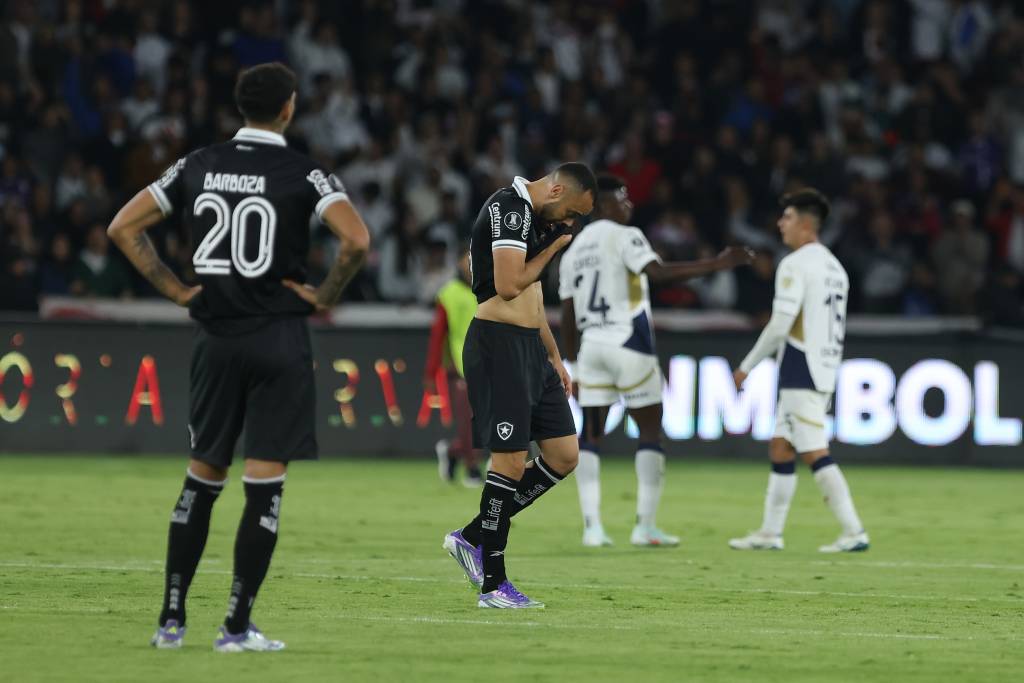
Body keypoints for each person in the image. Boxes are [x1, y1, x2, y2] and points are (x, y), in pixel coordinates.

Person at [106, 62, 370, 651]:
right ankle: (234, 626)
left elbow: (123, 226)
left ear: (238, 107)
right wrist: (324, 296)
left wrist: (176, 289)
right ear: (289, 108)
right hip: (278, 337)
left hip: (215, 338)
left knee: (202, 478)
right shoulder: (307, 172)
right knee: (264, 486)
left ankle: (170, 621)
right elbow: (356, 239)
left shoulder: (196, 164)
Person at [559, 174, 753, 547]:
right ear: (601, 207)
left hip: (592, 349)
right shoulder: (625, 236)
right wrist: (718, 263)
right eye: (622, 198)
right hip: (630, 344)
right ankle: (644, 526)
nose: (629, 204)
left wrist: (575, 365)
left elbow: (567, 315)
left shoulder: (573, 251)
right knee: (649, 431)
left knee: (591, 435)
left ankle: (592, 528)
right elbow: (658, 273)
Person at [442, 163, 596, 608]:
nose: (569, 223)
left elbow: (533, 297)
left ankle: (472, 536)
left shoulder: (533, 219)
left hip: (531, 348)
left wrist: (553, 355)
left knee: (564, 455)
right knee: (508, 462)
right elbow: (509, 286)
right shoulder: (509, 209)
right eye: (571, 212)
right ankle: (493, 584)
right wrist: (555, 248)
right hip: (498, 347)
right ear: (557, 189)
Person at [728, 188, 869, 553]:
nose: (780, 224)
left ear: (806, 224)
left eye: (787, 217)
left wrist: (746, 366)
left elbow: (781, 323)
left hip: (800, 365)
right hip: (825, 364)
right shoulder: (835, 267)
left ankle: (853, 530)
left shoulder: (795, 263)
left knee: (813, 450)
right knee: (781, 446)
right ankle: (770, 533)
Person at [424, 246, 483, 486]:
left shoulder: (489, 290)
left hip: (487, 365)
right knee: (470, 421)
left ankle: (452, 452)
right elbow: (438, 336)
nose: (471, 267)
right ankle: (472, 469)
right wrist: (431, 371)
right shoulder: (449, 294)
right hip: (460, 366)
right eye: (467, 261)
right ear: (459, 264)